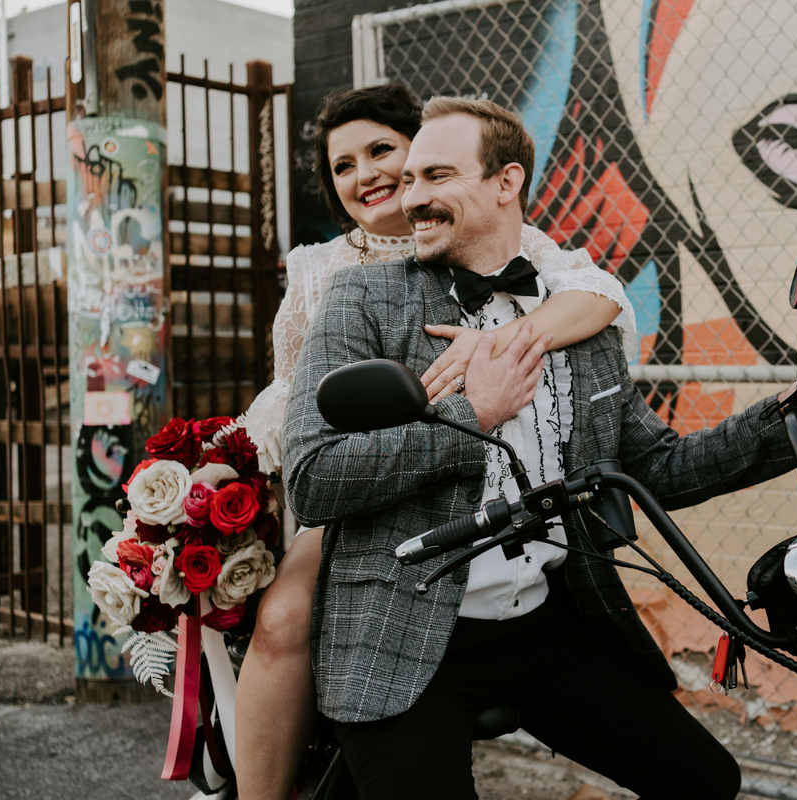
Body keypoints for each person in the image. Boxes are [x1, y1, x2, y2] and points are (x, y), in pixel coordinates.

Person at [282, 96, 797, 799]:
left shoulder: (576, 317)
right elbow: (311, 479)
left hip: (545, 622)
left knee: (705, 779)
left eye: (437, 177)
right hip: (403, 634)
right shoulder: (363, 300)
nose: (413, 197)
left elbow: (649, 466)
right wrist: (472, 415)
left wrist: (785, 421)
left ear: (505, 182)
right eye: (413, 179)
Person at [232, 84, 637, 800]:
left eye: (386, 152)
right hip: (360, 479)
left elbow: (595, 292)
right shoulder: (324, 273)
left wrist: (507, 335)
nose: (371, 176)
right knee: (285, 616)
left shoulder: (504, 247)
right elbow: (292, 395)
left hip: (471, 492)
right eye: (343, 166)